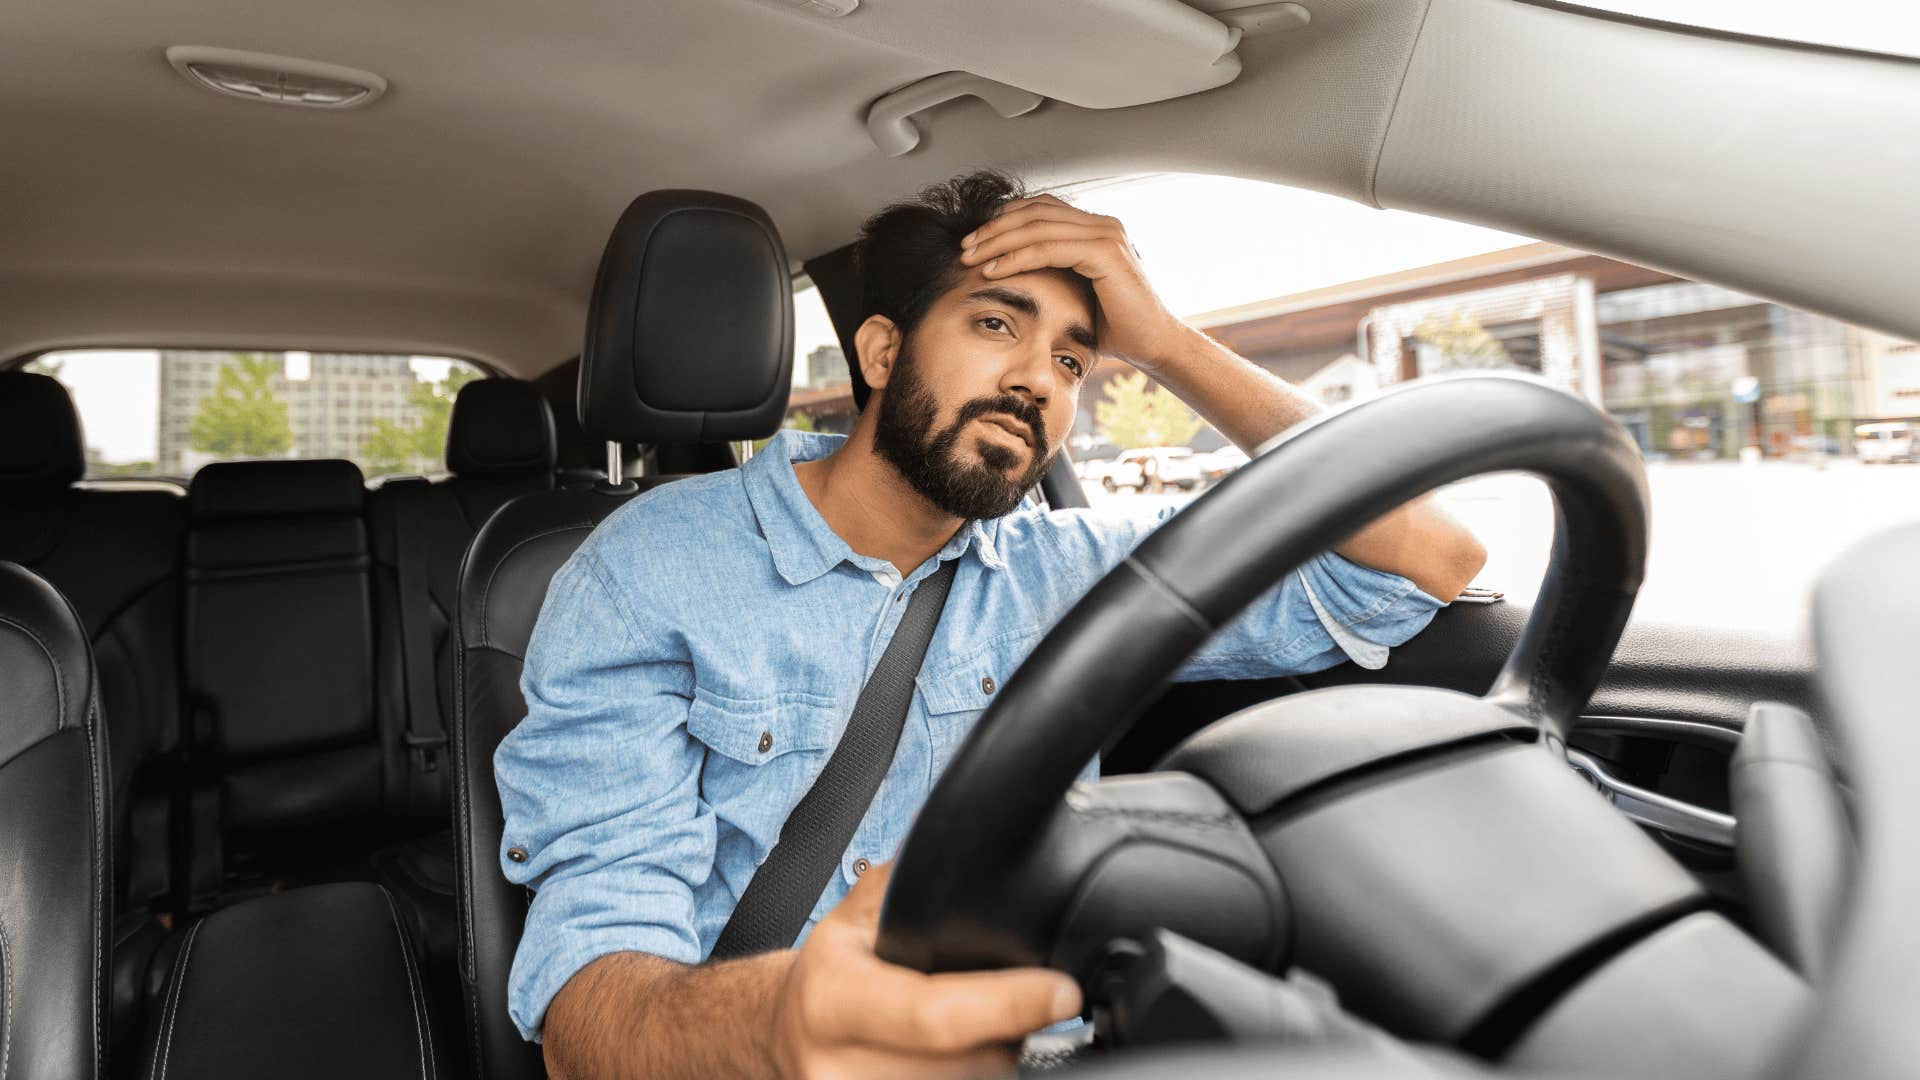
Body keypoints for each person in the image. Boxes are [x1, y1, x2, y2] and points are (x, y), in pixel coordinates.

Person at [496, 170, 1488, 1079]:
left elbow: (1427, 559)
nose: (1039, 380)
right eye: (997, 326)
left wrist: (1169, 344)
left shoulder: (1070, 571)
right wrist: (779, 1020)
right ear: (882, 352)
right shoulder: (649, 566)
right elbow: (588, 1018)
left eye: (1072, 358)